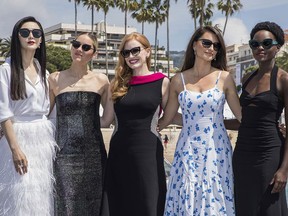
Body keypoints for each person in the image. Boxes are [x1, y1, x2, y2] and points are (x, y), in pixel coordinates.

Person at [158, 26, 242, 215]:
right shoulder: (178, 80)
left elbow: (242, 116)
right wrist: (146, 126)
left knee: (215, 199)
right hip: (187, 150)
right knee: (186, 196)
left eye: (216, 46)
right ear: (195, 45)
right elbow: (168, 117)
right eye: (206, 43)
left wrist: (271, 124)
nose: (211, 48)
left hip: (217, 150)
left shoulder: (225, 78)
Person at [100, 32, 170, 216]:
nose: (131, 56)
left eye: (135, 51)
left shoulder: (162, 82)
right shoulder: (116, 84)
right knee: (119, 206)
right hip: (119, 155)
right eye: (126, 53)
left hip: (148, 156)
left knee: (148, 205)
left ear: (147, 52)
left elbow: (171, 115)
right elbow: (105, 120)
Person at [0, 16, 57, 215]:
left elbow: (50, 111)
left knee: (41, 196)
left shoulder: (44, 72)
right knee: (18, 195)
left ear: (41, 39)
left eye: (36, 33)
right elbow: (4, 112)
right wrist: (15, 149)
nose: (31, 36)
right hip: (18, 138)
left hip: (43, 140)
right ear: (17, 37)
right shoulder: (6, 70)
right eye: (25, 32)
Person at [48, 32, 109, 215]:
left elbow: (107, 119)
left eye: (86, 47)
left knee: (93, 205)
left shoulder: (102, 80)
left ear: (94, 53)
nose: (79, 49)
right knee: (65, 205)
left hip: (94, 155)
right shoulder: (54, 79)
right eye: (76, 44)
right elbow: (43, 115)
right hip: (63, 155)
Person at [232, 21, 288, 216]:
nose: (260, 48)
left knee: (268, 208)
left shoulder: (283, 79)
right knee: (244, 206)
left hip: (268, 153)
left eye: (266, 43)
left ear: (278, 47)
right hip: (242, 153)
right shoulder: (247, 77)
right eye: (255, 44)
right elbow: (243, 119)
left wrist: (284, 169)